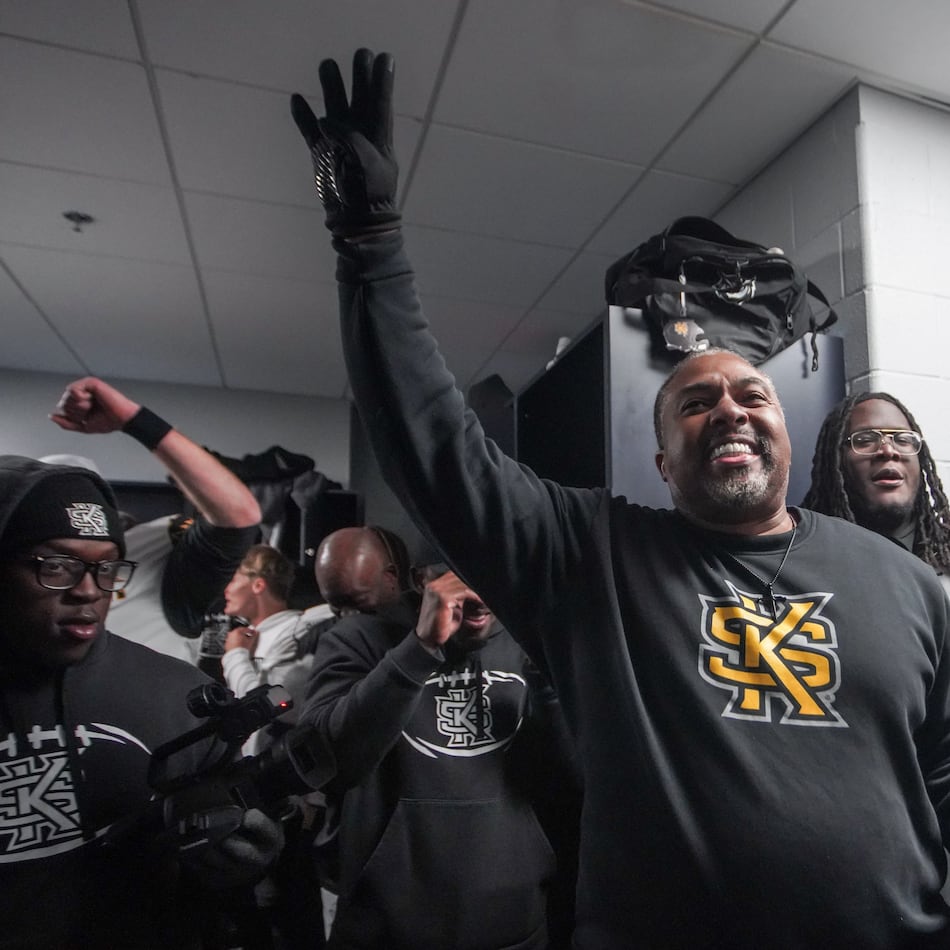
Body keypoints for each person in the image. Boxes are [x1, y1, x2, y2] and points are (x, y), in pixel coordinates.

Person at [290, 49, 950, 948]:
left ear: (788, 433)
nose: (731, 410)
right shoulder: (591, 557)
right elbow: (435, 449)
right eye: (696, 402)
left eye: (752, 396)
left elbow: (942, 779)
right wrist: (368, 246)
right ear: (663, 461)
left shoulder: (906, 586)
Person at [0, 455, 283, 949]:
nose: (88, 591)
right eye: (57, 566)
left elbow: (215, 876)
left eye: (106, 567)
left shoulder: (179, 699)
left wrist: (240, 860)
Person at [302, 552, 578, 949]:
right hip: (384, 932)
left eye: (494, 572)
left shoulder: (536, 640)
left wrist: (552, 692)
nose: (480, 595)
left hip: (517, 927)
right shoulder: (359, 639)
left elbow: (583, 785)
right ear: (421, 580)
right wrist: (418, 649)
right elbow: (325, 763)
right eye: (461, 574)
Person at [47, 376, 262, 662]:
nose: (84, 590)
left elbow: (238, 516)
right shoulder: (20, 569)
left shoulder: (150, 551)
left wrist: (134, 421)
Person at [803, 391, 950, 593]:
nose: (888, 450)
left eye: (903, 439)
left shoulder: (945, 558)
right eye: (865, 439)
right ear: (835, 460)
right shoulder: (805, 562)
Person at [221, 544, 311, 755]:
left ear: (258, 585)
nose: (227, 589)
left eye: (234, 580)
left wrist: (235, 655)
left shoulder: (295, 632)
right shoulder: (247, 637)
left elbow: (267, 708)